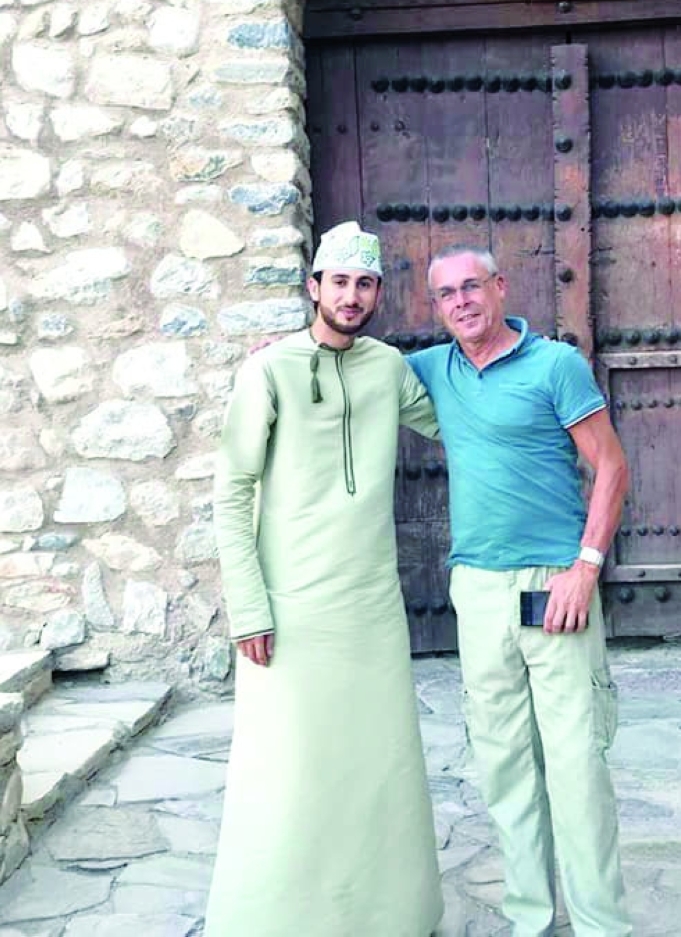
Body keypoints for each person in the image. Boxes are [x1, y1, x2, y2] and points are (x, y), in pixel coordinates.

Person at [205, 221, 444, 937]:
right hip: (289, 609)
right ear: (314, 287)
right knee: (288, 770)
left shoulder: (388, 368)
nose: (351, 295)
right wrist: (248, 606)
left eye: (364, 283)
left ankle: (387, 917)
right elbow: (231, 491)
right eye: (338, 281)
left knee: (377, 764)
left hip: (370, 606)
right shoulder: (268, 371)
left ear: (377, 293)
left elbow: (459, 420)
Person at [408, 244, 632, 937]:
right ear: (436, 306)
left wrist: (586, 567)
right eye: (447, 294)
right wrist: (280, 352)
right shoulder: (430, 371)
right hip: (477, 589)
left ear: (500, 287)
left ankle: (600, 926)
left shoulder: (555, 365)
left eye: (471, 286)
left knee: (576, 767)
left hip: (554, 583)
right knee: (504, 766)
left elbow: (611, 466)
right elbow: (345, 367)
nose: (462, 302)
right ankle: (530, 919)